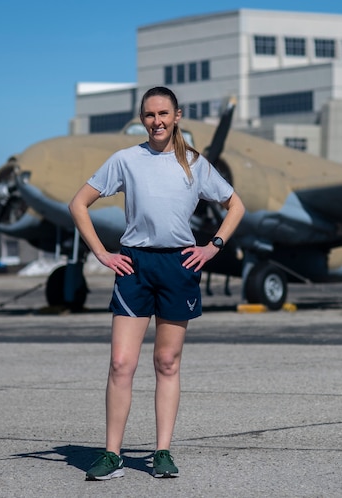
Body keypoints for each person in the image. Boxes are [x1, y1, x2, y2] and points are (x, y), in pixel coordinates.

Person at [69, 86, 245, 480]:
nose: (157, 121)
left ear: (177, 116)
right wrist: (102, 253)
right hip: (135, 265)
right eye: (149, 115)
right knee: (120, 363)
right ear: (142, 119)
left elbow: (236, 205)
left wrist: (213, 246)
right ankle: (112, 454)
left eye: (164, 113)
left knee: (167, 362)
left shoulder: (195, 164)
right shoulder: (125, 160)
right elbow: (78, 203)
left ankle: (162, 452)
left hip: (179, 265)